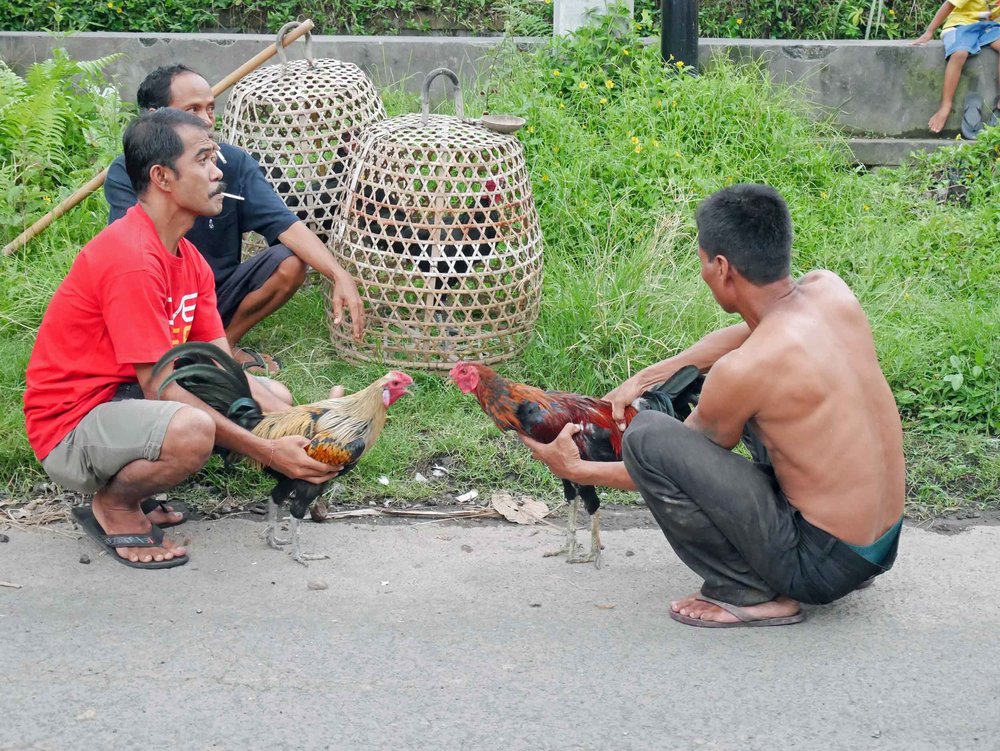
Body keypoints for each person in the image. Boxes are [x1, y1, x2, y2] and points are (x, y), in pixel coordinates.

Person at [520, 184, 905, 628]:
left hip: (818, 566)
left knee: (647, 438)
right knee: (737, 397)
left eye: (702, 261)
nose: (701, 272)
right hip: (879, 545)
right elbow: (751, 333)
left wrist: (575, 470)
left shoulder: (745, 372)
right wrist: (645, 377)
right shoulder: (829, 292)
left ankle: (746, 591)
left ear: (721, 268)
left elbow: (658, 464)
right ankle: (794, 570)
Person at [25, 109, 341, 569]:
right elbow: (163, 388)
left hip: (120, 402)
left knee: (273, 395)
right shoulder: (131, 257)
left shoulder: (188, 259)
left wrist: (309, 422)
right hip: (71, 428)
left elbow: (221, 370)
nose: (219, 172)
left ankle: (136, 486)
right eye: (205, 159)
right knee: (193, 431)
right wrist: (269, 449)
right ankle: (113, 505)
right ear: (163, 177)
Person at [105, 64, 365, 375]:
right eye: (192, 109)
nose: (206, 119)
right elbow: (132, 257)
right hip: (163, 299)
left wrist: (338, 274)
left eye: (210, 108)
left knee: (290, 260)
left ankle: (220, 348)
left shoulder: (233, 163)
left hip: (214, 295)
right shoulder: (128, 174)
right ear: (154, 117)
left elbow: (285, 224)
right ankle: (182, 352)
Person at [912, 0, 1000, 135]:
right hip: (961, 24)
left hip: (989, 26)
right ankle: (945, 106)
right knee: (960, 53)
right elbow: (948, 4)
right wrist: (929, 32)